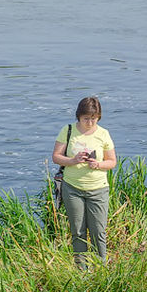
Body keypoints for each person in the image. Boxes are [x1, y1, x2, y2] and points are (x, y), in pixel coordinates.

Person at [50, 97, 115, 268]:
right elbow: (56, 157)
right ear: (79, 116)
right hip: (73, 188)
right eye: (86, 118)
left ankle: (100, 269)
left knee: (98, 231)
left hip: (98, 189)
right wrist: (73, 160)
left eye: (94, 118)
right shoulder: (68, 130)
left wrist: (98, 164)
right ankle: (81, 270)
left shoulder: (103, 134)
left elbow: (112, 161)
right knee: (78, 231)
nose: (90, 122)